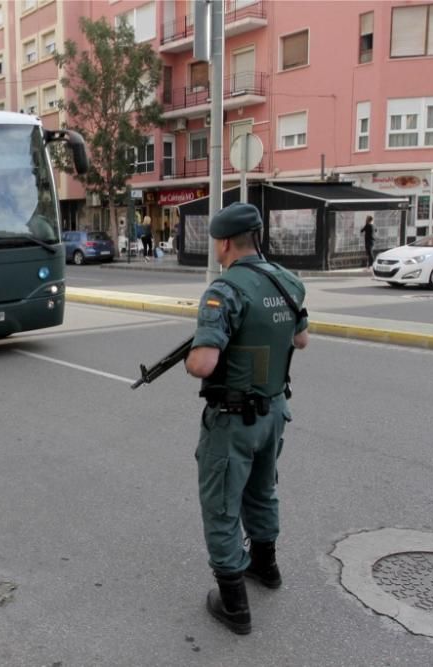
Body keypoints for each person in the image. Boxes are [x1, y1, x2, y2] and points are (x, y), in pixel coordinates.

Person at [184, 202, 309, 635]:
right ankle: (266, 567)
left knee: (221, 505)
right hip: (274, 412)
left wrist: (193, 353)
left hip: (234, 419)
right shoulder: (288, 281)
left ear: (223, 243)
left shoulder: (226, 290)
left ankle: (234, 604)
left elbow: (203, 363)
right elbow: (301, 338)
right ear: (256, 237)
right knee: (262, 491)